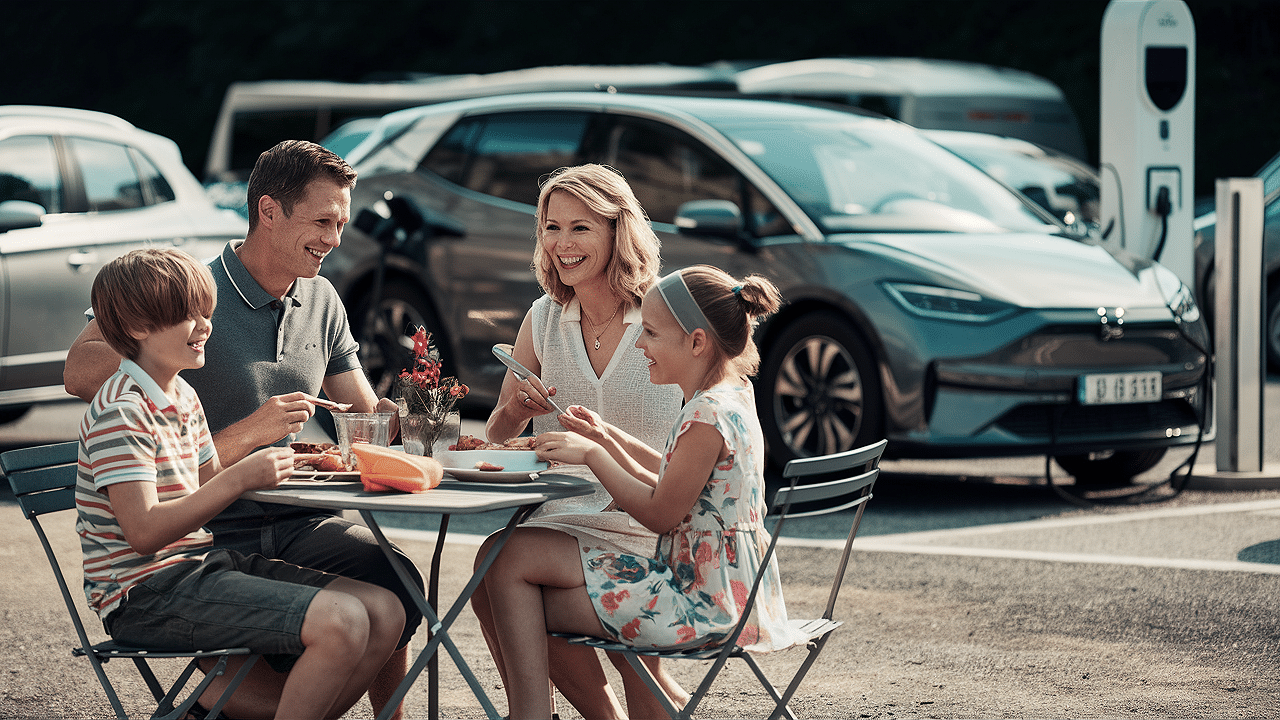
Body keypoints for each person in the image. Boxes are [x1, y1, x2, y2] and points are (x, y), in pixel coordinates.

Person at [63, 140, 421, 719]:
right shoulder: (187, 295)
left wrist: (415, 413)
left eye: (341, 223)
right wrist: (246, 426)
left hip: (294, 515)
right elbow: (80, 372)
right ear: (269, 211)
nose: (335, 239)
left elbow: (360, 417)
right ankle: (229, 699)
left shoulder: (322, 298)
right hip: (213, 527)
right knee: (343, 619)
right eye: (322, 222)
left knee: (394, 583)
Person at [481, 265, 809, 719]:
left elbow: (659, 513)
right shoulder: (730, 398)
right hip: (721, 589)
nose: (640, 344)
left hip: (699, 602)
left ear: (697, 342)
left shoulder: (706, 418)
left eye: (651, 333)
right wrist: (606, 436)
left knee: (512, 577)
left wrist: (593, 456)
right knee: (509, 568)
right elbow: (670, 477)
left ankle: (533, 713)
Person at [473, 164, 687, 718]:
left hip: (649, 519)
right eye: (552, 227)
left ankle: (545, 711)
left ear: (619, 231)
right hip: (563, 520)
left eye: (580, 228)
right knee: (491, 570)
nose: (562, 244)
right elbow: (497, 432)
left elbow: (710, 428)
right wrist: (516, 409)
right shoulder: (544, 318)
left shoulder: (663, 315)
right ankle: (618, 708)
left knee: (499, 568)